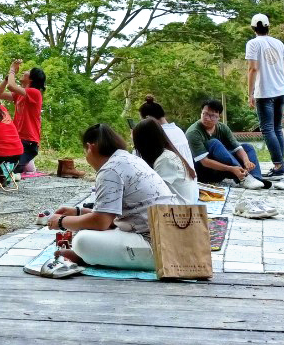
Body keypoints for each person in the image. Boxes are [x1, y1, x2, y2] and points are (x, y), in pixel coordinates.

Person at [34, 124, 176, 278]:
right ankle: (90, 257)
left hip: (158, 248)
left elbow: (101, 222)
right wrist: (78, 212)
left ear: (90, 147)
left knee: (82, 240)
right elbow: (111, 216)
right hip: (170, 240)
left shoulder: (109, 169)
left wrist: (61, 221)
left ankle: (86, 256)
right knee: (84, 229)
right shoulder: (129, 159)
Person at [185, 100, 270, 190]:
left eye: (212, 116)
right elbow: (204, 162)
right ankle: (244, 178)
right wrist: (231, 169)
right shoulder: (193, 132)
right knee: (214, 143)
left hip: (220, 170)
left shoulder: (222, 128)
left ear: (219, 117)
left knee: (247, 147)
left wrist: (246, 161)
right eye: (204, 114)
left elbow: (238, 148)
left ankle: (256, 178)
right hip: (203, 171)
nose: (207, 118)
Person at [246, 13, 284, 181]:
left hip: (264, 92)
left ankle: (279, 166)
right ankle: (279, 165)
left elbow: (253, 69)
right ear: (268, 27)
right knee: (277, 128)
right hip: (280, 91)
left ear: (253, 28)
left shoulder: (253, 44)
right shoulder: (279, 43)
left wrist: (250, 93)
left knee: (267, 129)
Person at [131, 118, 198, 205]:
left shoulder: (165, 159)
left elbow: (154, 192)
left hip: (180, 212)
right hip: (180, 207)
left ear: (143, 142)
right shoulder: (165, 155)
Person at [0, 59, 45, 173]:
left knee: (9, 169)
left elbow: (11, 86)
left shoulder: (35, 92)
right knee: (4, 167)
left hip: (29, 141)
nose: (24, 72)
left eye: (27, 71)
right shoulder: (20, 95)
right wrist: (7, 78)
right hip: (18, 138)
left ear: (31, 78)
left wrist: (12, 70)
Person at [137, 95, 194, 177]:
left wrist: (137, 139)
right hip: (190, 181)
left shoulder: (158, 135)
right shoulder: (178, 130)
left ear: (148, 118)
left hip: (174, 184)